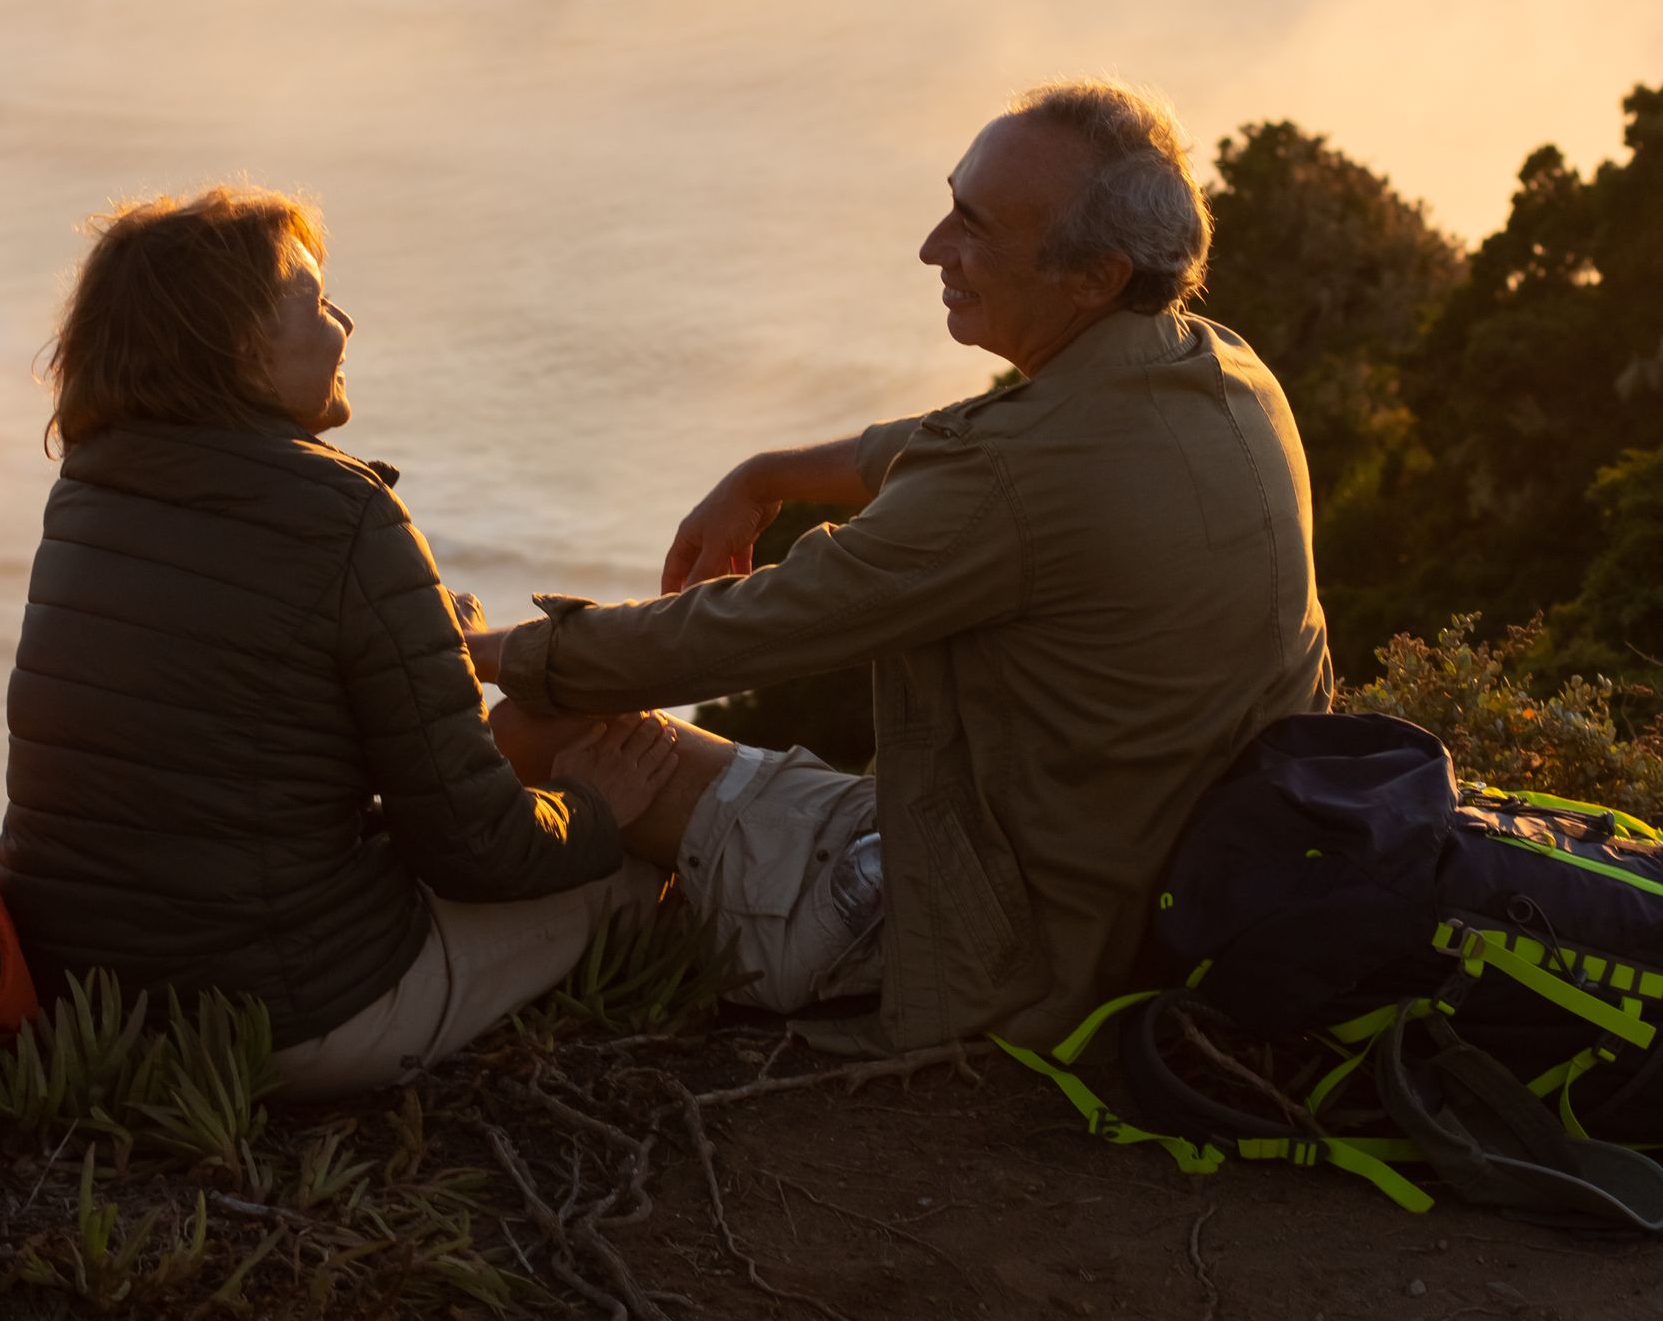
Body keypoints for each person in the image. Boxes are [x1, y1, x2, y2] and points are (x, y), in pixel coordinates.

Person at [471, 78, 1333, 1056]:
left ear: (1093, 275)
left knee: (539, 729)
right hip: (1145, 889)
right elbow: (956, 442)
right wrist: (771, 474)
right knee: (612, 759)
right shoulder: (1220, 368)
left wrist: (477, 650)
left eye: (973, 225)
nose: (932, 246)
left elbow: (737, 632)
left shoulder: (1010, 483)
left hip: (998, 948)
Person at [0, 187, 675, 1096]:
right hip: (288, 1018)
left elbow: (237, 687)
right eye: (315, 304)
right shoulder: (343, 512)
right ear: (241, 347)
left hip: (81, 1001)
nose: (344, 322)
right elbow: (473, 847)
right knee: (633, 876)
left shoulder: (90, 487)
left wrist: (423, 633)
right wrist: (595, 808)